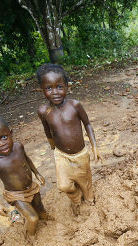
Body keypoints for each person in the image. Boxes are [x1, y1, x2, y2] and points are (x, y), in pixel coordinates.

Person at [36, 63, 100, 215]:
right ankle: (76, 198)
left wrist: (94, 146)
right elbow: (47, 130)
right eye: (49, 88)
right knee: (64, 186)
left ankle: (89, 202)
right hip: (61, 155)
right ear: (42, 89)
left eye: (59, 87)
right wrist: (52, 145)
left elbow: (88, 124)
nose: (55, 92)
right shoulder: (44, 111)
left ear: (66, 87)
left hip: (80, 154)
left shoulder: (75, 105)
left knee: (85, 183)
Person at [0, 114, 49, 236]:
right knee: (32, 218)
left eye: (4, 137)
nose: (1, 144)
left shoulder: (18, 147)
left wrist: (37, 173)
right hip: (16, 195)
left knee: (41, 211)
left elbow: (27, 159)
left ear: (10, 133)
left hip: (31, 187)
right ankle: (31, 237)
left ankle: (46, 224)